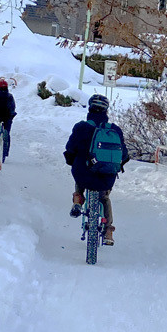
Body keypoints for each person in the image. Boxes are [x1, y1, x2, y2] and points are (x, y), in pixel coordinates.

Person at [64, 94, 129, 246]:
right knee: (104, 197)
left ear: (90, 108)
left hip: (84, 174)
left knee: (79, 173)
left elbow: (70, 149)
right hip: (106, 176)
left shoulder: (81, 127)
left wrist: (71, 159)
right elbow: (124, 154)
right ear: (106, 111)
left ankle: (78, 200)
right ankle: (108, 231)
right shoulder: (115, 130)